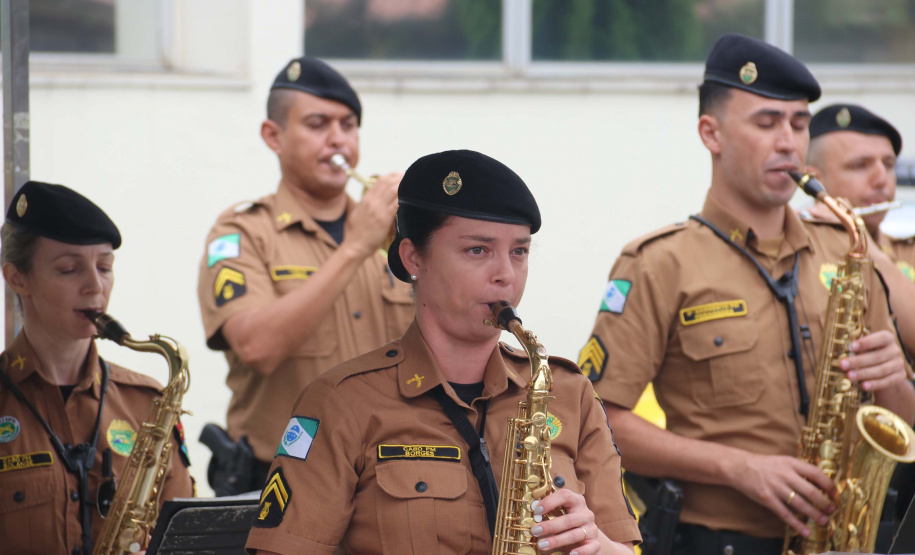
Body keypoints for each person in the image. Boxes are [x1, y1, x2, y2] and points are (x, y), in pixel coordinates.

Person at [578, 34, 915, 555]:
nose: (788, 142)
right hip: (718, 542)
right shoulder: (659, 262)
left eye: (799, 124)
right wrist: (738, 468)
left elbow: (905, 424)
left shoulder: (847, 251)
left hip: (849, 538)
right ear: (710, 133)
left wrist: (895, 381)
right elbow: (600, 421)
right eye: (766, 123)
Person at [245, 150, 641, 555]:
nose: (505, 273)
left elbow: (625, 547)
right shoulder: (341, 403)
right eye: (478, 250)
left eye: (519, 251)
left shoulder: (570, 393)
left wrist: (601, 545)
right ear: (413, 257)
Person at [197, 56, 414, 494]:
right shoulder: (241, 233)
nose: (338, 141)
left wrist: (427, 236)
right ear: (273, 136)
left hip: (390, 479)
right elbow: (257, 346)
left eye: (348, 125)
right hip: (284, 482)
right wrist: (355, 247)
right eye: (317, 124)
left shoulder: (395, 235)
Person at [0, 181, 194, 554]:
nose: (95, 286)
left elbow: (183, 536)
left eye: (105, 267)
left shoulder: (147, 402)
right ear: (17, 278)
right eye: (69, 269)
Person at [805, 104, 915, 351]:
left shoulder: (909, 249)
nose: (881, 179)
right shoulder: (799, 252)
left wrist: (869, 249)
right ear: (814, 181)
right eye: (860, 165)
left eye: (888, 164)